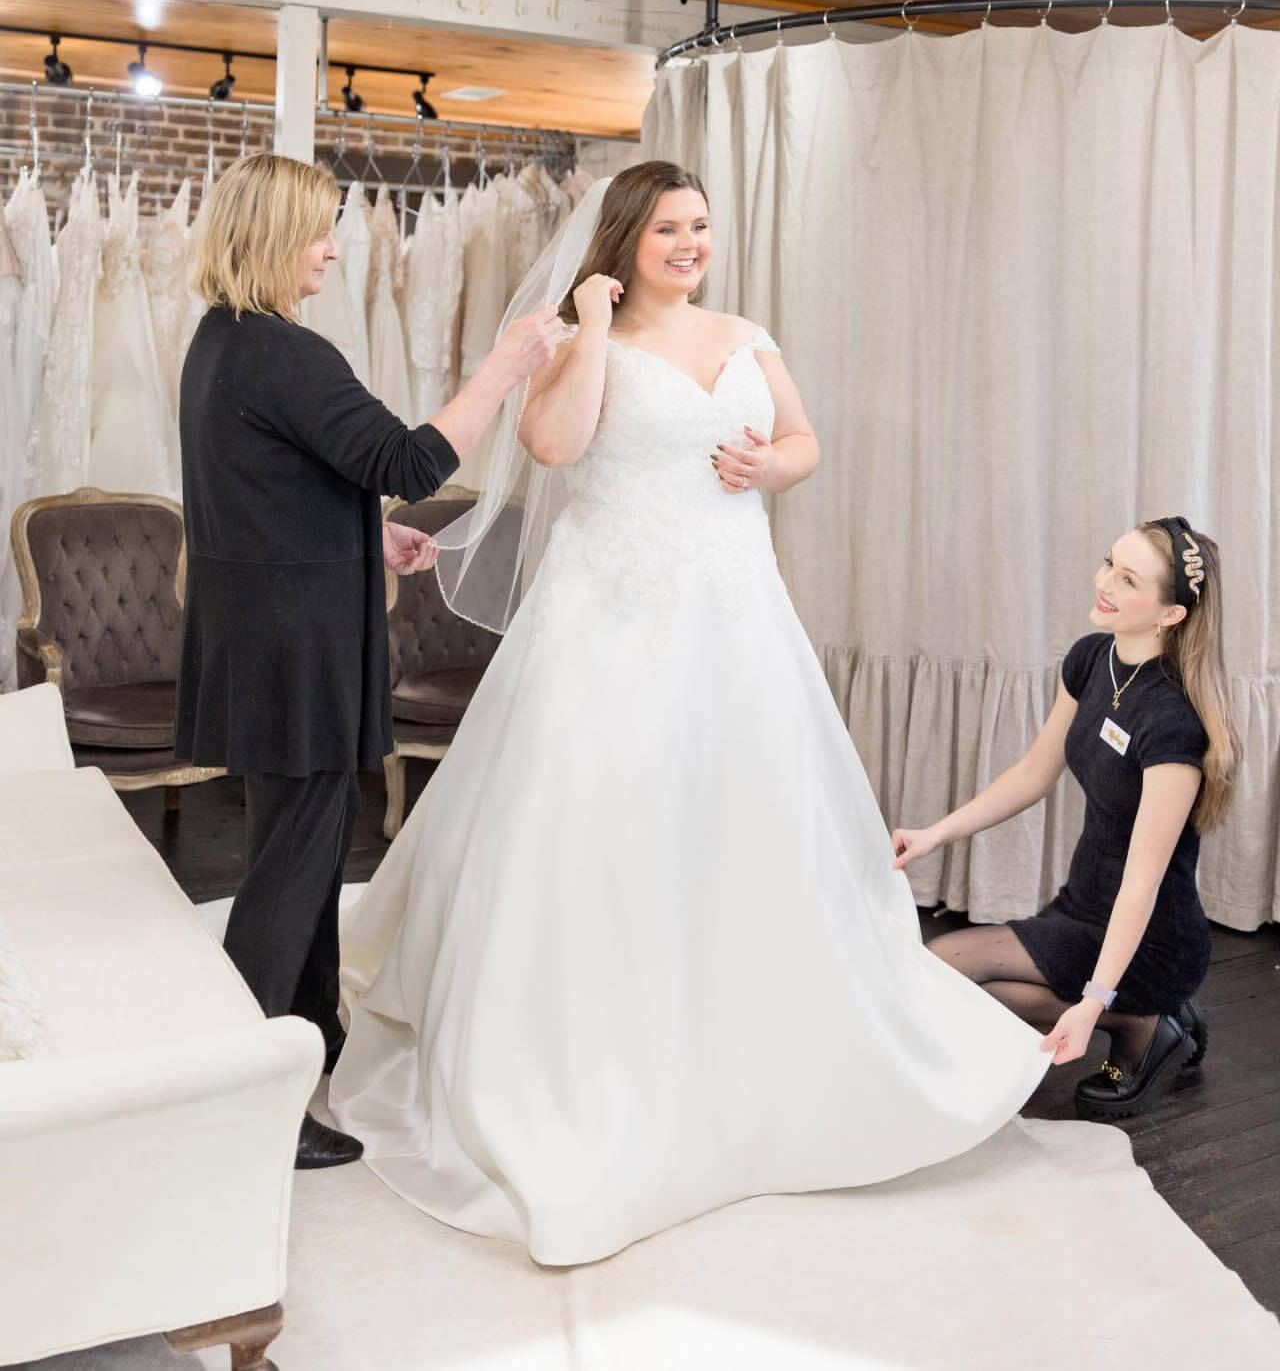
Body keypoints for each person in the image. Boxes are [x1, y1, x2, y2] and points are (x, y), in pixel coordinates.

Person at [329, 161, 1048, 1264]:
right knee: (601, 818)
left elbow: (804, 444)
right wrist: (586, 328)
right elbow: (553, 448)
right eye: (668, 227)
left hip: (733, 606)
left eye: (699, 227)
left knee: (743, 813)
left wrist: (770, 463)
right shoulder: (588, 338)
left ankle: (760, 1043)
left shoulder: (745, 331)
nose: (687, 244)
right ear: (626, 236)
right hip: (607, 608)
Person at [176, 153, 559, 1170]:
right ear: (269, 236)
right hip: (295, 641)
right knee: (290, 868)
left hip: (258, 627)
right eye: (319, 229)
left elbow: (269, 485)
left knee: (295, 848)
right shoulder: (288, 354)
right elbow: (408, 462)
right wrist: (502, 367)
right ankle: (237, 1091)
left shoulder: (221, 344)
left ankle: (305, 1045)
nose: (335, 247)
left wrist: (362, 536)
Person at [892, 519, 1240, 1119]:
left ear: (1169, 615)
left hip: (1150, 934)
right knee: (981, 988)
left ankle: (1138, 1016)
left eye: (1127, 579)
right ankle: (1147, 1020)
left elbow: (1143, 883)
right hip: (1084, 903)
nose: (1102, 582)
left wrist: (1093, 1001)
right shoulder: (1091, 660)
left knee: (945, 967)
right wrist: (934, 835)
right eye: (1109, 562)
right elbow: (1032, 773)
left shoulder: (1173, 724)